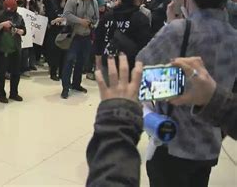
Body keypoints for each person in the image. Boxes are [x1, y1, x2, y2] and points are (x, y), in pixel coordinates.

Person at [137, 0, 236, 187]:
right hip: (209, 146)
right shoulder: (233, 37)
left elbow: (139, 73)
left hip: (172, 144)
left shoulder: (179, 31)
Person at [86, 55, 237, 187]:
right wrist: (218, 104)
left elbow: (111, 180)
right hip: (199, 153)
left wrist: (116, 122)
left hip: (176, 157)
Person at [94, 0, 152, 81]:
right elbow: (145, 46)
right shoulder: (140, 18)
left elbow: (98, 39)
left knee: (110, 95)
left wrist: (98, 63)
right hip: (130, 67)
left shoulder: (108, 15)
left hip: (108, 63)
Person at [61, 0, 99, 99]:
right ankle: (65, 88)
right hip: (74, 36)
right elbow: (66, 14)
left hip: (86, 37)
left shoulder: (94, 2)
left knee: (81, 62)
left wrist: (93, 25)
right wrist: (80, 21)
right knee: (69, 61)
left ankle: (76, 84)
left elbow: (97, 18)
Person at [0, 0, 26, 103]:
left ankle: (14, 93)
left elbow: (24, 31)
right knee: (1, 73)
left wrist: (19, 31)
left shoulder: (19, 17)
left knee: (16, 72)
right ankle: (1, 94)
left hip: (15, 48)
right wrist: (2, 24)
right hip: (1, 49)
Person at [43, 0, 67, 81]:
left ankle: (62, 73)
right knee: (55, 55)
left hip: (64, 34)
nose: (66, 2)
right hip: (54, 34)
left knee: (64, 55)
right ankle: (53, 73)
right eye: (64, 0)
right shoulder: (53, 8)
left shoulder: (67, 9)